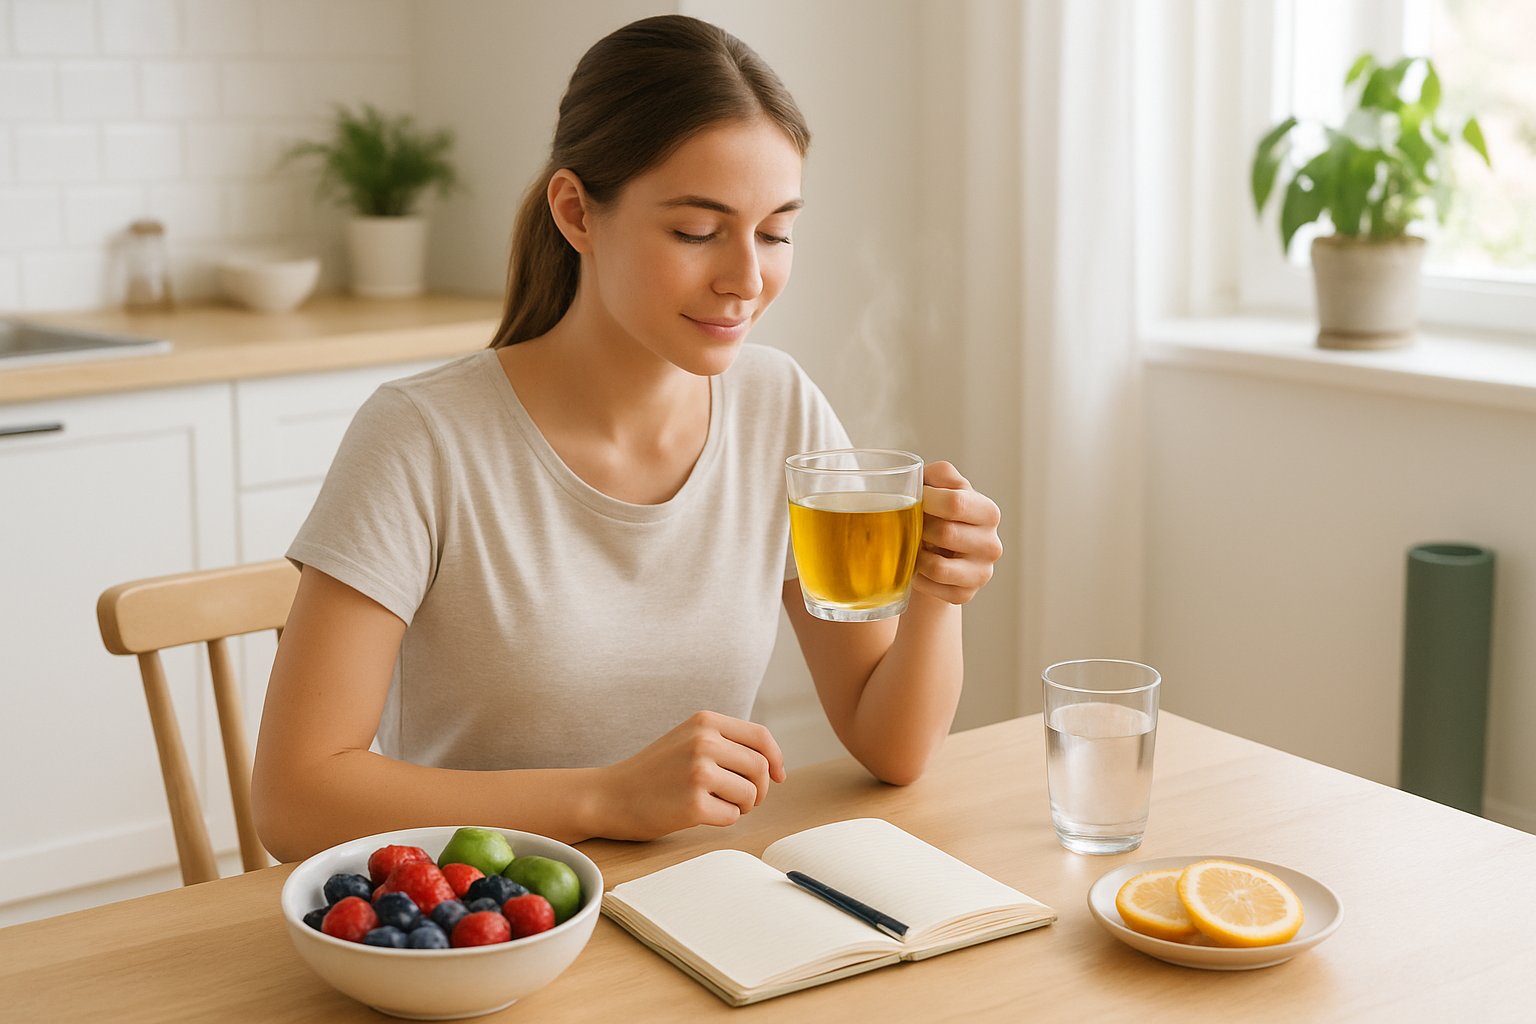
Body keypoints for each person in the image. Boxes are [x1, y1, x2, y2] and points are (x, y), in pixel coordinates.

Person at [251, 14, 1002, 863]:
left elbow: (891, 744)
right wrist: (605, 795)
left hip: (699, 904)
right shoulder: (424, 437)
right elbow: (295, 799)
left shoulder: (777, 403)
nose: (746, 281)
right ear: (576, 213)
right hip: (489, 927)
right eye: (695, 231)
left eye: (776, 231)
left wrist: (938, 594)